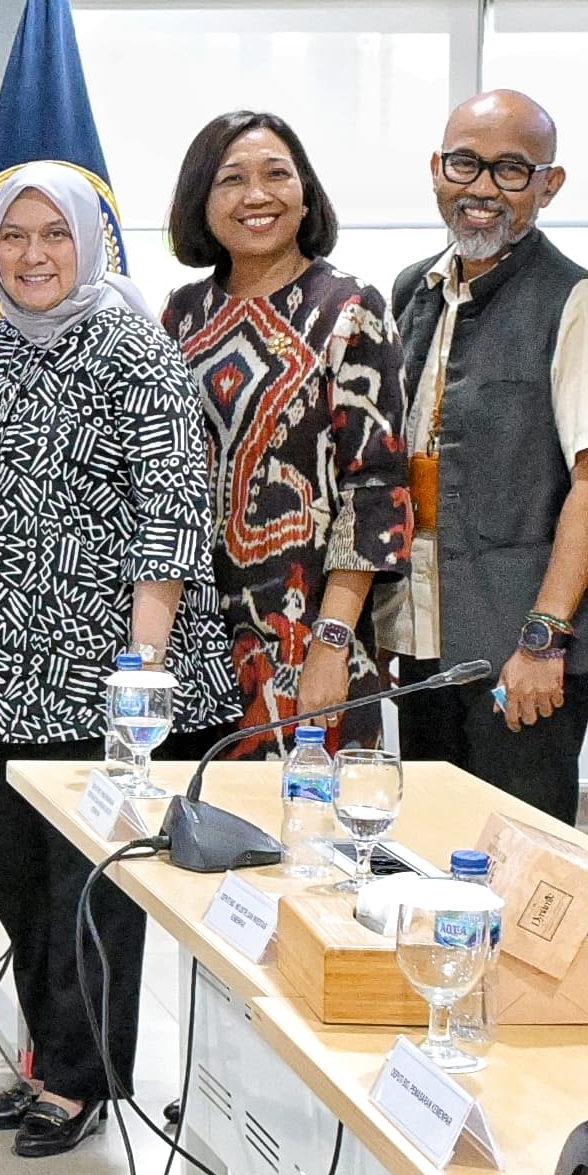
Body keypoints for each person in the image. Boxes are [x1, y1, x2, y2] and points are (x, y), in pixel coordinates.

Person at [0, 166, 234, 1157]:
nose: (31, 256)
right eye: (10, 238)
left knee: (88, 891)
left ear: (88, 243)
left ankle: (82, 1076)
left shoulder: (136, 354)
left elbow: (175, 511)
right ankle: (45, 1061)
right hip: (2, 671)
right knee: (14, 877)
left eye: (53, 235)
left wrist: (142, 669)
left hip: (103, 678)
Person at [369, 90, 588, 823]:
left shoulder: (580, 302)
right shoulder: (413, 290)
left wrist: (544, 636)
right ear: (435, 169)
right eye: (465, 164)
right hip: (427, 639)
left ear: (549, 184)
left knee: (515, 861)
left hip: (523, 650)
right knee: (426, 845)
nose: (482, 189)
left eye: (512, 171)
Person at [160, 111, 412, 727]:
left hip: (304, 634)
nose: (256, 196)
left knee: (299, 819)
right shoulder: (179, 315)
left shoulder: (349, 308)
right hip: (186, 636)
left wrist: (330, 644)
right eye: (231, 180)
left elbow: (376, 490)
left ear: (305, 196)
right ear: (202, 200)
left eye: (277, 174)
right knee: (182, 817)